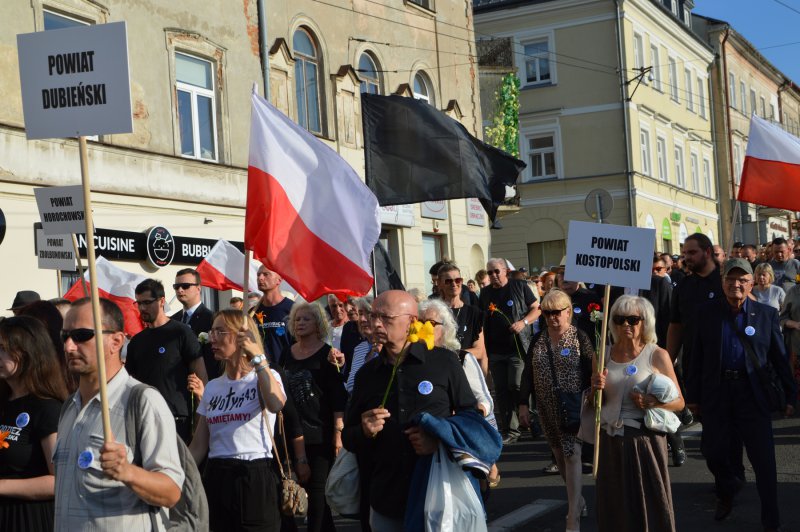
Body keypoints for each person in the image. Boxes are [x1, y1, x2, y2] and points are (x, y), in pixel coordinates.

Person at [342, 290, 476, 531]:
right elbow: (349, 439)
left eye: (385, 317)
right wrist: (364, 430)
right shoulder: (367, 374)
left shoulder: (444, 362)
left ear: (412, 322)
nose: (376, 323)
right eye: (373, 316)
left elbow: (471, 418)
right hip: (386, 496)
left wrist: (438, 440)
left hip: (436, 492)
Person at [55, 298, 183, 530]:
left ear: (116, 342)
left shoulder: (142, 401)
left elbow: (172, 491)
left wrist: (128, 472)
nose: (69, 346)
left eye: (82, 335)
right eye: (65, 336)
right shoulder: (68, 407)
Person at [687, 259, 796, 529]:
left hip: (752, 395)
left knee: (764, 462)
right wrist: (693, 397)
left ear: (751, 283)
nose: (735, 284)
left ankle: (771, 519)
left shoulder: (766, 314)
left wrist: (792, 397)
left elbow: (780, 358)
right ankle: (728, 487)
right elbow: (694, 357)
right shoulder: (706, 313)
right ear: (722, 281)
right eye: (730, 279)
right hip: (717, 394)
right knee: (713, 452)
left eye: (742, 279)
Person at [188, 309, 287, 532]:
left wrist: (258, 359)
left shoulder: (265, 377)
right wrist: (176, 473)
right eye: (211, 332)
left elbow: (276, 403)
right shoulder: (213, 387)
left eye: (219, 332)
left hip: (254, 475)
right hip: (217, 475)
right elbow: (199, 446)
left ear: (241, 335)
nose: (212, 338)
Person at [590, 296, 682, 531]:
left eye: (633, 319)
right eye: (620, 319)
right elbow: (594, 404)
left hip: (644, 440)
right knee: (614, 507)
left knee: (648, 504)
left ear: (645, 322)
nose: (626, 325)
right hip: (610, 441)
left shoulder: (656, 354)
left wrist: (652, 402)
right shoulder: (602, 355)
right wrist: (594, 389)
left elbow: (679, 402)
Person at [521, 290, 593, 531]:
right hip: (545, 407)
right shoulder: (538, 340)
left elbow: (592, 368)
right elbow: (527, 373)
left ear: (568, 312)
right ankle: (578, 499)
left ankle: (572, 515)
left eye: (557, 312)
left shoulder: (579, 337)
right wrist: (523, 404)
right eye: (547, 312)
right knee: (560, 457)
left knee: (572, 455)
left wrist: (592, 393)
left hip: (572, 405)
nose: (552, 317)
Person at [280, 302, 347, 532]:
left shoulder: (329, 354)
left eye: (306, 319)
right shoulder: (286, 353)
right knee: (292, 493)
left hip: (320, 432)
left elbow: (338, 397)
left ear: (318, 323)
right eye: (297, 319)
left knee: (317, 497)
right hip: (291, 432)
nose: (300, 323)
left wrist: (338, 432)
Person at [0, 316, 68, 531]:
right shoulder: (3, 401)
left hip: (29, 518)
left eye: (3, 348)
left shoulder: (47, 408)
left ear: (28, 353)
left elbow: (59, 481)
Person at [125, 279, 208, 443]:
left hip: (176, 419)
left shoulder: (181, 333)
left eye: (147, 303)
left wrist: (200, 419)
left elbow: (201, 376)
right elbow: (129, 382)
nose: (142, 308)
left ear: (162, 301)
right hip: (144, 417)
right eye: (139, 303)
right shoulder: (137, 341)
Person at [479, 257, 539, 445]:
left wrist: (523, 322)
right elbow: (482, 319)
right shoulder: (485, 293)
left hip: (517, 348)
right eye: (490, 272)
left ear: (505, 271)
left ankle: (528, 417)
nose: (494, 275)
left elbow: (536, 309)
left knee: (516, 385)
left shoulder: (519, 286)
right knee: (502, 391)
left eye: (497, 271)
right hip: (495, 350)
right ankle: (511, 431)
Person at [437, 263, 487, 375]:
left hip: (467, 372)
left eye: (457, 280)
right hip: (442, 371)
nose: (454, 284)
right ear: (439, 284)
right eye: (448, 281)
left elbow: (479, 351)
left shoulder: (473, 312)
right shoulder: (435, 313)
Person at [171, 268, 218, 379]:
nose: (180, 290)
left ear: (198, 288)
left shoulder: (212, 319)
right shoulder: (173, 320)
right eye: (176, 287)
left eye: (185, 286)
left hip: (204, 382)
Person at [251, 265, 295, 365]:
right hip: (261, 371)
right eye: (258, 275)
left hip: (286, 372)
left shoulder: (293, 310)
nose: (260, 278)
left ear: (278, 280)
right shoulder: (252, 312)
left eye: (266, 274)